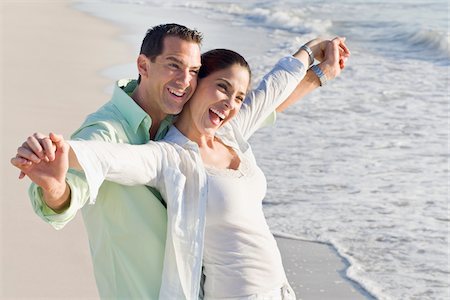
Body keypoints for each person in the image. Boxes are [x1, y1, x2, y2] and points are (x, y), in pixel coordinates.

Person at [12, 37, 350, 299]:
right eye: (221, 87)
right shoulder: (168, 155)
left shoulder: (229, 133)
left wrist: (313, 54)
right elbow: (110, 157)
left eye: (237, 96)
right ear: (196, 87)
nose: (231, 103)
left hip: (280, 290)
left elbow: (270, 93)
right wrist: (56, 151)